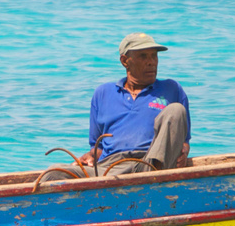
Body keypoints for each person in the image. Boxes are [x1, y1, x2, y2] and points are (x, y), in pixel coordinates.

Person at [76, 32, 191, 175]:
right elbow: (97, 147)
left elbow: (183, 141)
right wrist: (90, 156)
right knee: (54, 173)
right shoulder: (102, 93)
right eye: (143, 56)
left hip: (150, 165)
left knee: (176, 110)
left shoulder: (172, 89)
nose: (151, 62)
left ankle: (153, 180)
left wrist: (184, 151)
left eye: (154, 56)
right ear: (125, 61)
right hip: (110, 168)